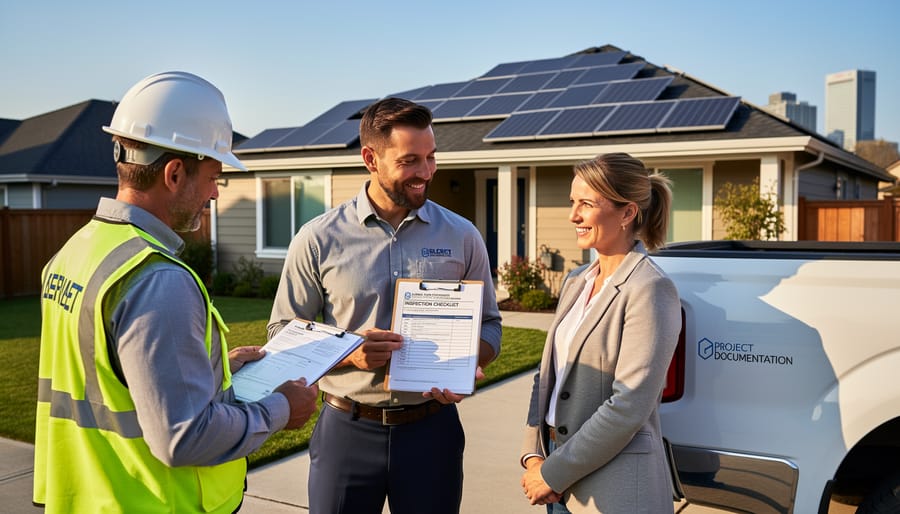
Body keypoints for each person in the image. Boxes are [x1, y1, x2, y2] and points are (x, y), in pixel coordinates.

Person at [33, 71, 319, 514]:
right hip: (158, 501)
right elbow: (184, 436)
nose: (214, 195)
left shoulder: (77, 251)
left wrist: (219, 367)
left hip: (91, 497)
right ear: (172, 173)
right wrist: (281, 408)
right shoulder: (157, 279)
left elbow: (115, 379)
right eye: (213, 178)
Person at [267, 97, 502, 514]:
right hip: (347, 430)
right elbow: (280, 337)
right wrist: (349, 350)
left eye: (431, 158)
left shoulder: (463, 236)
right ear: (370, 158)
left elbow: (489, 325)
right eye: (410, 160)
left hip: (433, 432)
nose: (426, 173)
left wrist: (467, 362)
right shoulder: (317, 239)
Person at [519, 152, 681, 513]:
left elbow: (629, 406)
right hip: (557, 480)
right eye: (572, 202)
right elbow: (548, 376)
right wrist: (533, 454)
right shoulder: (576, 281)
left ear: (627, 213)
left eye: (587, 204)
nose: (573, 215)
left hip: (616, 489)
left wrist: (553, 472)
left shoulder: (649, 288)